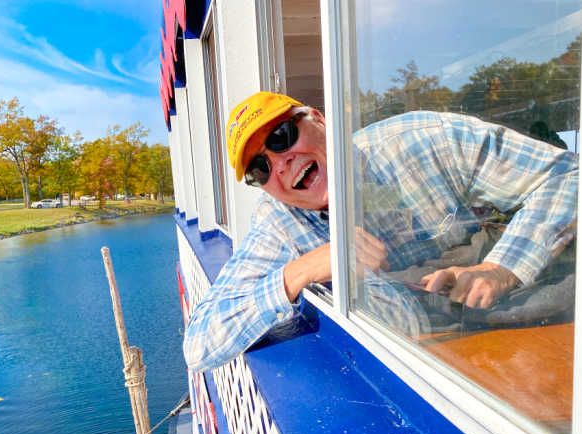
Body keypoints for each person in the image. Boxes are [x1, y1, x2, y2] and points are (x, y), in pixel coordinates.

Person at [183, 91, 578, 371]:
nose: (281, 164)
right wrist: (300, 271)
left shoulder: (424, 141)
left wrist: (500, 268)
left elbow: (568, 176)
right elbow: (199, 343)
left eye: (281, 137)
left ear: (319, 119)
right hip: (433, 363)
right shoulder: (280, 223)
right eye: (260, 168)